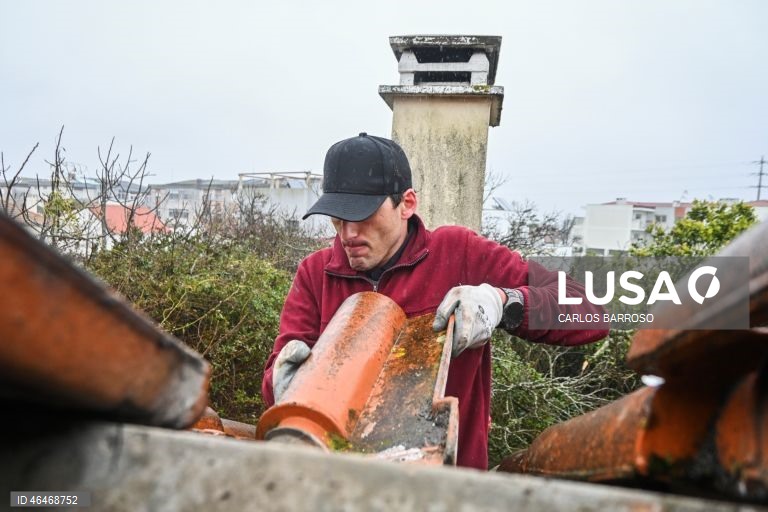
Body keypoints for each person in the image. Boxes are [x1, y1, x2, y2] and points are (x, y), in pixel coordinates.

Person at [261, 133, 607, 469]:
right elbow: (277, 377)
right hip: (340, 484)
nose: (348, 233)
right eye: (338, 216)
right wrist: (281, 381)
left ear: (407, 203)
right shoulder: (316, 274)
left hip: (446, 487)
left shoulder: (460, 255)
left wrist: (504, 302)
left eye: (363, 215)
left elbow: (590, 310)